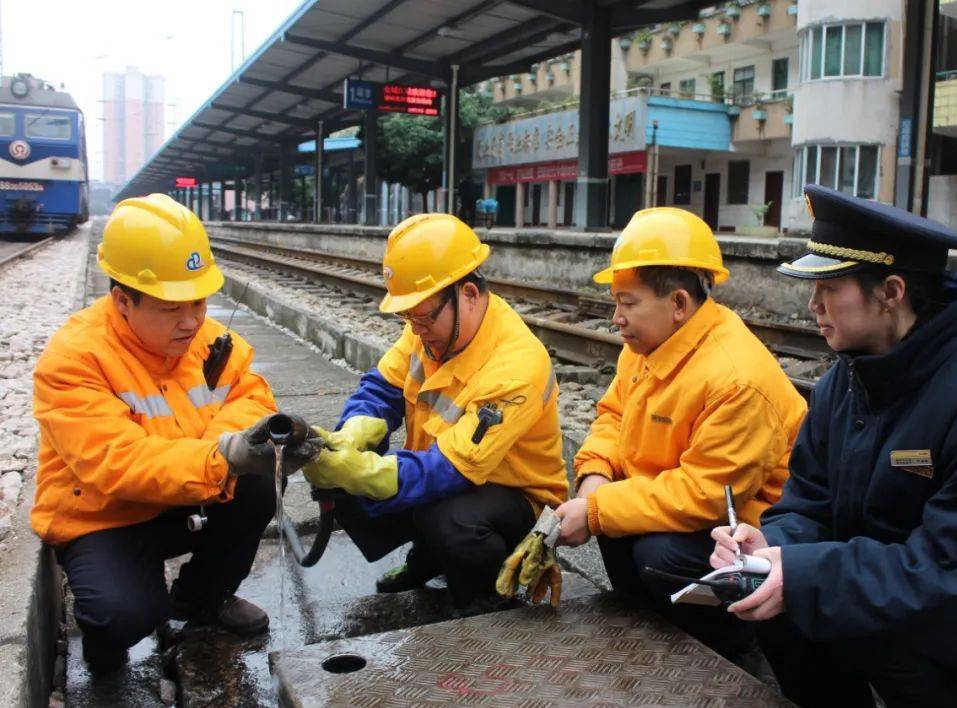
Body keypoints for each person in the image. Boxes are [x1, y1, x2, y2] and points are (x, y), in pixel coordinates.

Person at [711, 184, 957, 708]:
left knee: (870, 622)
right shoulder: (850, 379)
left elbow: (955, 568)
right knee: (778, 600)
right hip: (914, 587)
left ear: (891, 291)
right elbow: (808, 499)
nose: (813, 306)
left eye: (829, 288)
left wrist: (807, 574)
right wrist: (770, 544)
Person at [32, 194, 319, 674]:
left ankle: (202, 598)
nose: (191, 321)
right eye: (171, 308)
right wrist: (221, 456)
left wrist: (234, 447)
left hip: (183, 499)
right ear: (123, 300)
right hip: (106, 515)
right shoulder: (74, 359)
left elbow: (249, 397)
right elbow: (118, 462)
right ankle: (112, 624)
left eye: (200, 301)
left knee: (256, 485)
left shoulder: (206, 341)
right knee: (121, 617)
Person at [554, 207, 807, 655]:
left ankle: (730, 647)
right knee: (618, 520)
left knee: (659, 555)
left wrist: (596, 510)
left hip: (745, 532)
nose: (616, 317)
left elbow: (706, 495)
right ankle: (648, 637)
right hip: (677, 503)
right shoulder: (647, 344)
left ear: (678, 304)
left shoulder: (735, 377)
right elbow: (613, 413)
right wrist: (594, 478)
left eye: (627, 303)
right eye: (616, 302)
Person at [303, 213, 566, 610]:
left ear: (470, 295)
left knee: (450, 519)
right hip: (452, 470)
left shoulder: (516, 366)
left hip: (517, 498)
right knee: (345, 474)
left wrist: (366, 473)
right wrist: (354, 431)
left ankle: (486, 599)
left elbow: (451, 469)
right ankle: (428, 559)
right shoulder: (429, 325)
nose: (415, 328)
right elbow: (383, 386)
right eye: (407, 316)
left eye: (423, 316)